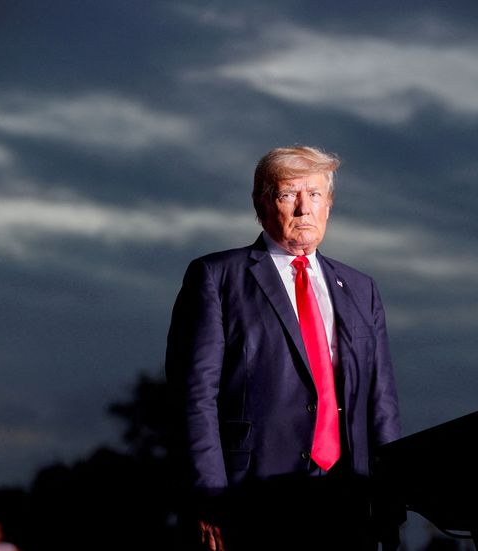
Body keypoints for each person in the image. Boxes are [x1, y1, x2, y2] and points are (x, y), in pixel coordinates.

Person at [165, 145, 403, 551]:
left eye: (314, 195)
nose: (302, 209)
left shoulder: (361, 289)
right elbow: (195, 396)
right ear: (261, 204)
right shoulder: (217, 277)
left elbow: (381, 403)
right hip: (253, 500)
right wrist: (209, 495)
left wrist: (392, 498)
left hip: (348, 501)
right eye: (288, 194)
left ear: (329, 205)